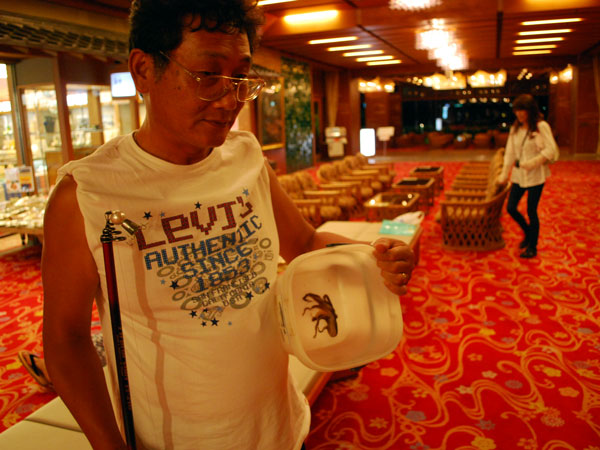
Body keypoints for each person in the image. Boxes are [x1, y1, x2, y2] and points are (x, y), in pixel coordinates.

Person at [41, 1, 415, 449]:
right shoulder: (87, 194)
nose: (229, 99)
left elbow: (304, 241)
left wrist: (372, 258)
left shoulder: (245, 156)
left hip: (278, 425)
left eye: (240, 77)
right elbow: (66, 340)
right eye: (207, 75)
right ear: (143, 70)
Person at [497, 94, 559, 258]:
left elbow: (551, 150)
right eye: (517, 110)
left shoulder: (541, 126)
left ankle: (532, 246)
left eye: (522, 110)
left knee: (532, 211)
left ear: (530, 110)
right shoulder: (515, 129)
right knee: (511, 207)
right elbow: (510, 153)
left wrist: (532, 163)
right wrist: (504, 174)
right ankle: (528, 232)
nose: (519, 114)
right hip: (519, 175)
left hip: (536, 175)